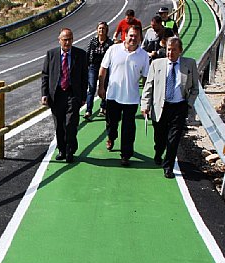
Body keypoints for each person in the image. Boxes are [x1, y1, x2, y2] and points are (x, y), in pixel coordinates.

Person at [141, 37, 199, 178]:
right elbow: (149, 86)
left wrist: (188, 104)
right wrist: (145, 104)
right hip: (161, 106)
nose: (170, 53)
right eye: (168, 49)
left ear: (180, 51)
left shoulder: (189, 64)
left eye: (173, 50)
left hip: (179, 107)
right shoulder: (156, 64)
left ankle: (168, 167)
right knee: (160, 138)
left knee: (173, 140)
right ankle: (158, 151)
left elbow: (195, 89)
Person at [98, 25, 150, 166]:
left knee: (128, 128)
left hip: (131, 99)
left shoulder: (144, 56)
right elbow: (103, 69)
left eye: (136, 36)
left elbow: (146, 79)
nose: (133, 39)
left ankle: (125, 155)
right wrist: (101, 87)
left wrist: (146, 99)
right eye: (131, 35)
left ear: (140, 38)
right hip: (113, 95)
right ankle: (111, 136)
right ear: (125, 36)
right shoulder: (113, 50)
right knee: (112, 123)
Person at [41, 28, 88, 163]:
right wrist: (44, 94)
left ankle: (70, 150)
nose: (67, 42)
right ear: (59, 40)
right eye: (65, 39)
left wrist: (83, 95)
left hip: (73, 94)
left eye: (70, 39)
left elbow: (84, 77)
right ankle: (62, 149)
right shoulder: (51, 55)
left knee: (70, 124)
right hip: (56, 95)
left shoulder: (80, 55)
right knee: (59, 125)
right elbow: (45, 75)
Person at [85, 21, 114, 120]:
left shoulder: (110, 43)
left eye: (103, 28)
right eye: (100, 28)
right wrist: (86, 66)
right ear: (97, 30)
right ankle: (88, 110)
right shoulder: (93, 41)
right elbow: (88, 53)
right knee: (91, 88)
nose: (101, 30)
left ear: (106, 30)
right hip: (93, 66)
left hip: (105, 67)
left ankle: (103, 107)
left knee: (104, 86)